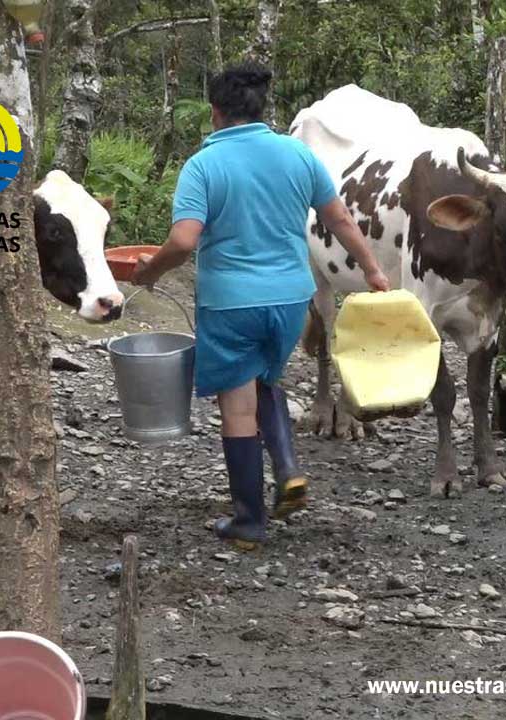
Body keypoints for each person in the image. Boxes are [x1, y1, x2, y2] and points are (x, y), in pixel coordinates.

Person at [132, 62, 389, 549]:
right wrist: (373, 270)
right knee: (264, 379)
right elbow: (339, 219)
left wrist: (151, 272)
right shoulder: (299, 154)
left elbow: (184, 240)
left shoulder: (203, 166)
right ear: (260, 108)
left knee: (238, 408)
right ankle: (288, 470)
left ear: (215, 112)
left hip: (231, 304)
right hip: (291, 299)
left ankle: (248, 521)